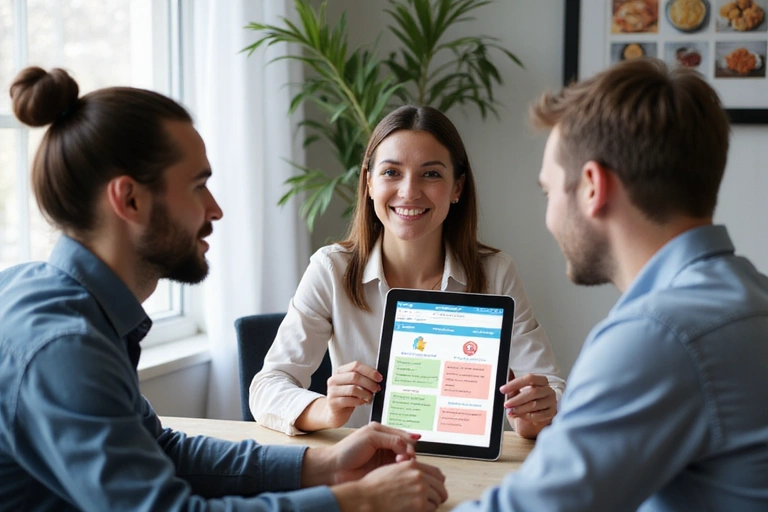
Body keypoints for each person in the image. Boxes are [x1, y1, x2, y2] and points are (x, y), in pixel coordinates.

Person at [0, 66, 448, 512]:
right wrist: (355, 501)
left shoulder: (67, 308)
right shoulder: (64, 348)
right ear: (130, 199)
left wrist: (324, 464)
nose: (215, 209)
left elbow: (160, 451)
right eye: (199, 186)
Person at [454, 58, 768, 511]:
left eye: (549, 192)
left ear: (591, 187)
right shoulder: (750, 298)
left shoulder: (660, 336)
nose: (548, 217)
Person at [250, 105, 565, 439]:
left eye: (431, 174)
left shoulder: (496, 272)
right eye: (391, 172)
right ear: (369, 182)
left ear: (457, 188)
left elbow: (551, 391)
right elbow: (267, 387)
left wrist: (535, 414)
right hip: (361, 471)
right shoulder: (331, 269)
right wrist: (326, 408)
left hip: (465, 467)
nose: (409, 191)